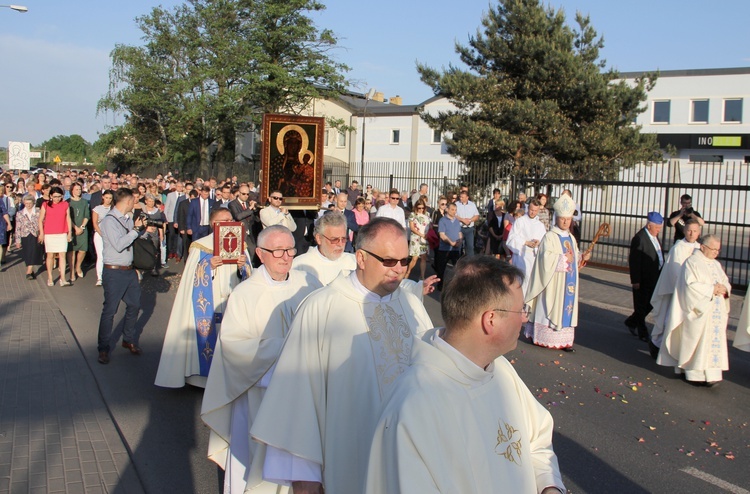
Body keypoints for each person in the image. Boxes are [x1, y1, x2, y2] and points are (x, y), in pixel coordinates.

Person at [250, 218, 433, 494]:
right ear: (360, 258)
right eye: (388, 261)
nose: (398, 269)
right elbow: (298, 399)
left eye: (404, 261)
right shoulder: (321, 308)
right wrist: (305, 477)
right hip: (349, 460)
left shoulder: (410, 304)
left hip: (409, 461)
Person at [365, 256, 565, 494]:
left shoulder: (501, 371)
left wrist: (549, 486)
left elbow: (537, 441)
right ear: (490, 320)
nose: (525, 318)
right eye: (521, 309)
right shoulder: (414, 407)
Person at [201, 225, 322, 494]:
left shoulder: (310, 284)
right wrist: (287, 347)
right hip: (261, 393)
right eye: (277, 251)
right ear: (260, 253)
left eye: (290, 249)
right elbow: (233, 348)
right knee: (262, 468)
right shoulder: (245, 294)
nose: (286, 256)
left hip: (304, 394)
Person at [155, 208, 252, 389]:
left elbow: (248, 276)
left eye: (231, 220)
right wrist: (208, 265)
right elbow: (191, 278)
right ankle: (203, 380)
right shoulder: (201, 246)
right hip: (210, 302)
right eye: (224, 220)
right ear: (214, 224)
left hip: (232, 301)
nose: (229, 223)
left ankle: (231, 375)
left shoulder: (241, 245)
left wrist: (243, 265)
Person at [656, 235, 731, 386]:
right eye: (713, 249)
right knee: (697, 343)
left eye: (718, 250)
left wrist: (725, 289)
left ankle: (711, 374)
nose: (716, 252)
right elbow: (689, 286)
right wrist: (711, 289)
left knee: (711, 344)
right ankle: (693, 373)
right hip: (698, 311)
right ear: (703, 247)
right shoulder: (691, 262)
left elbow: (725, 282)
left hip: (714, 313)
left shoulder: (716, 264)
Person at [524, 194, 590, 352]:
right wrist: (562, 259)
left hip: (568, 282)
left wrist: (582, 257)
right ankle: (543, 337)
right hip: (553, 282)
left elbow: (574, 260)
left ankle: (565, 340)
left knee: (566, 308)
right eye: (563, 218)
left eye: (568, 219)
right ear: (557, 218)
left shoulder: (571, 238)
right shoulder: (550, 237)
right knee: (551, 306)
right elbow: (544, 260)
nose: (566, 222)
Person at [96, 188, 147, 365]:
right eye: (134, 200)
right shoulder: (109, 221)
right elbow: (119, 245)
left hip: (128, 270)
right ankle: (103, 348)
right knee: (110, 310)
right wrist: (135, 231)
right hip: (114, 271)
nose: (135, 203)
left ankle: (128, 338)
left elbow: (132, 238)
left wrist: (142, 230)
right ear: (126, 202)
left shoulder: (126, 219)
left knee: (134, 304)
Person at [648, 219, 701, 359]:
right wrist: (686, 286)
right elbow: (675, 270)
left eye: (695, 231)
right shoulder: (678, 248)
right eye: (689, 230)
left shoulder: (700, 248)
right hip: (677, 291)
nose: (691, 233)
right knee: (669, 319)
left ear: (699, 233)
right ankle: (656, 344)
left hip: (693, 293)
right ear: (684, 231)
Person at [625, 212, 664, 342]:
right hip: (643, 279)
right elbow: (634, 261)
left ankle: (631, 321)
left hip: (655, 277)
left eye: (660, 228)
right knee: (641, 306)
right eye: (657, 228)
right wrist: (635, 280)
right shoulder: (640, 238)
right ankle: (642, 332)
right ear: (649, 226)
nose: (659, 230)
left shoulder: (654, 236)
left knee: (651, 304)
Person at [507, 198, 547, 295]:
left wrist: (538, 243)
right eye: (531, 210)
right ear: (528, 208)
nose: (533, 212)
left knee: (532, 284)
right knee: (521, 282)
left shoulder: (540, 225)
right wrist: (525, 242)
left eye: (535, 211)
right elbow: (511, 239)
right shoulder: (520, 222)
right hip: (521, 257)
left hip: (534, 258)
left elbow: (544, 242)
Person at [38, 186, 73, 287]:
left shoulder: (65, 204)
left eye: (59, 196)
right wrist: (41, 233)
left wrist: (69, 232)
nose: (57, 199)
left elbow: (68, 219)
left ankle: (62, 278)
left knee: (62, 255)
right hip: (49, 233)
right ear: (50, 196)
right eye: (55, 196)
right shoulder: (45, 205)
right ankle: (50, 277)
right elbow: (40, 219)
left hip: (62, 233)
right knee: (50, 256)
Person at [14, 194, 44, 279]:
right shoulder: (20, 213)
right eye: (26, 203)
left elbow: (43, 222)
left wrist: (42, 234)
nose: (28, 205)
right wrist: (17, 240)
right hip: (25, 235)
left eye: (30, 203)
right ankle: (30, 271)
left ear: (33, 202)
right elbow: (18, 227)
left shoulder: (38, 211)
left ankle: (29, 271)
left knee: (34, 251)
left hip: (36, 234)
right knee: (28, 252)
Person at [435, 202, 462, 291]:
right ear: (447, 209)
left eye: (455, 210)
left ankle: (457, 285)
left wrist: (460, 241)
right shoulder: (443, 220)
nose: (454, 212)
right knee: (441, 268)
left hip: (455, 249)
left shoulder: (457, 221)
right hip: (444, 249)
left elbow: (459, 233)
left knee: (457, 268)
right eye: (452, 209)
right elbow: (442, 235)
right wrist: (451, 243)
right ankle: (440, 285)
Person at [67, 182, 90, 282]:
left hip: (82, 228)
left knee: (83, 249)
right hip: (71, 229)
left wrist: (82, 227)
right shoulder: (68, 202)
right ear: (72, 190)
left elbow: (86, 215)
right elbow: (68, 217)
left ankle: (78, 266)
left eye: (80, 189)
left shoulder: (84, 202)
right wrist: (75, 228)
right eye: (76, 189)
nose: (78, 191)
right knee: (72, 250)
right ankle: (72, 270)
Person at [91, 189, 114, 286]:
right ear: (103, 197)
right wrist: (102, 234)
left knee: (110, 256)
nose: (108, 200)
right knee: (100, 256)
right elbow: (95, 223)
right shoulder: (97, 209)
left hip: (111, 235)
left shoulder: (114, 209)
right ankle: (99, 277)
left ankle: (110, 276)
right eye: (106, 198)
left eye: (110, 198)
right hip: (100, 234)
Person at [406, 199, 430, 280]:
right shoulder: (413, 215)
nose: (421, 210)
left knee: (423, 257)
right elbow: (412, 228)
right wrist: (421, 234)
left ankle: (422, 276)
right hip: (416, 238)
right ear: (416, 207)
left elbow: (430, 225)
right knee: (415, 258)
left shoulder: (427, 214)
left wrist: (427, 234)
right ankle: (408, 271)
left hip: (424, 238)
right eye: (419, 208)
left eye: (422, 208)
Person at [455, 190, 480, 256]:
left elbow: (476, 215)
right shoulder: (456, 204)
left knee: (470, 247)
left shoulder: (472, 205)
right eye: (460, 197)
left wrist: (470, 220)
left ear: (467, 197)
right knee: (458, 246)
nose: (461, 198)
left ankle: (470, 263)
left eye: (463, 197)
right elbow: (454, 215)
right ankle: (458, 262)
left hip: (469, 228)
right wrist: (462, 220)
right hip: (459, 228)